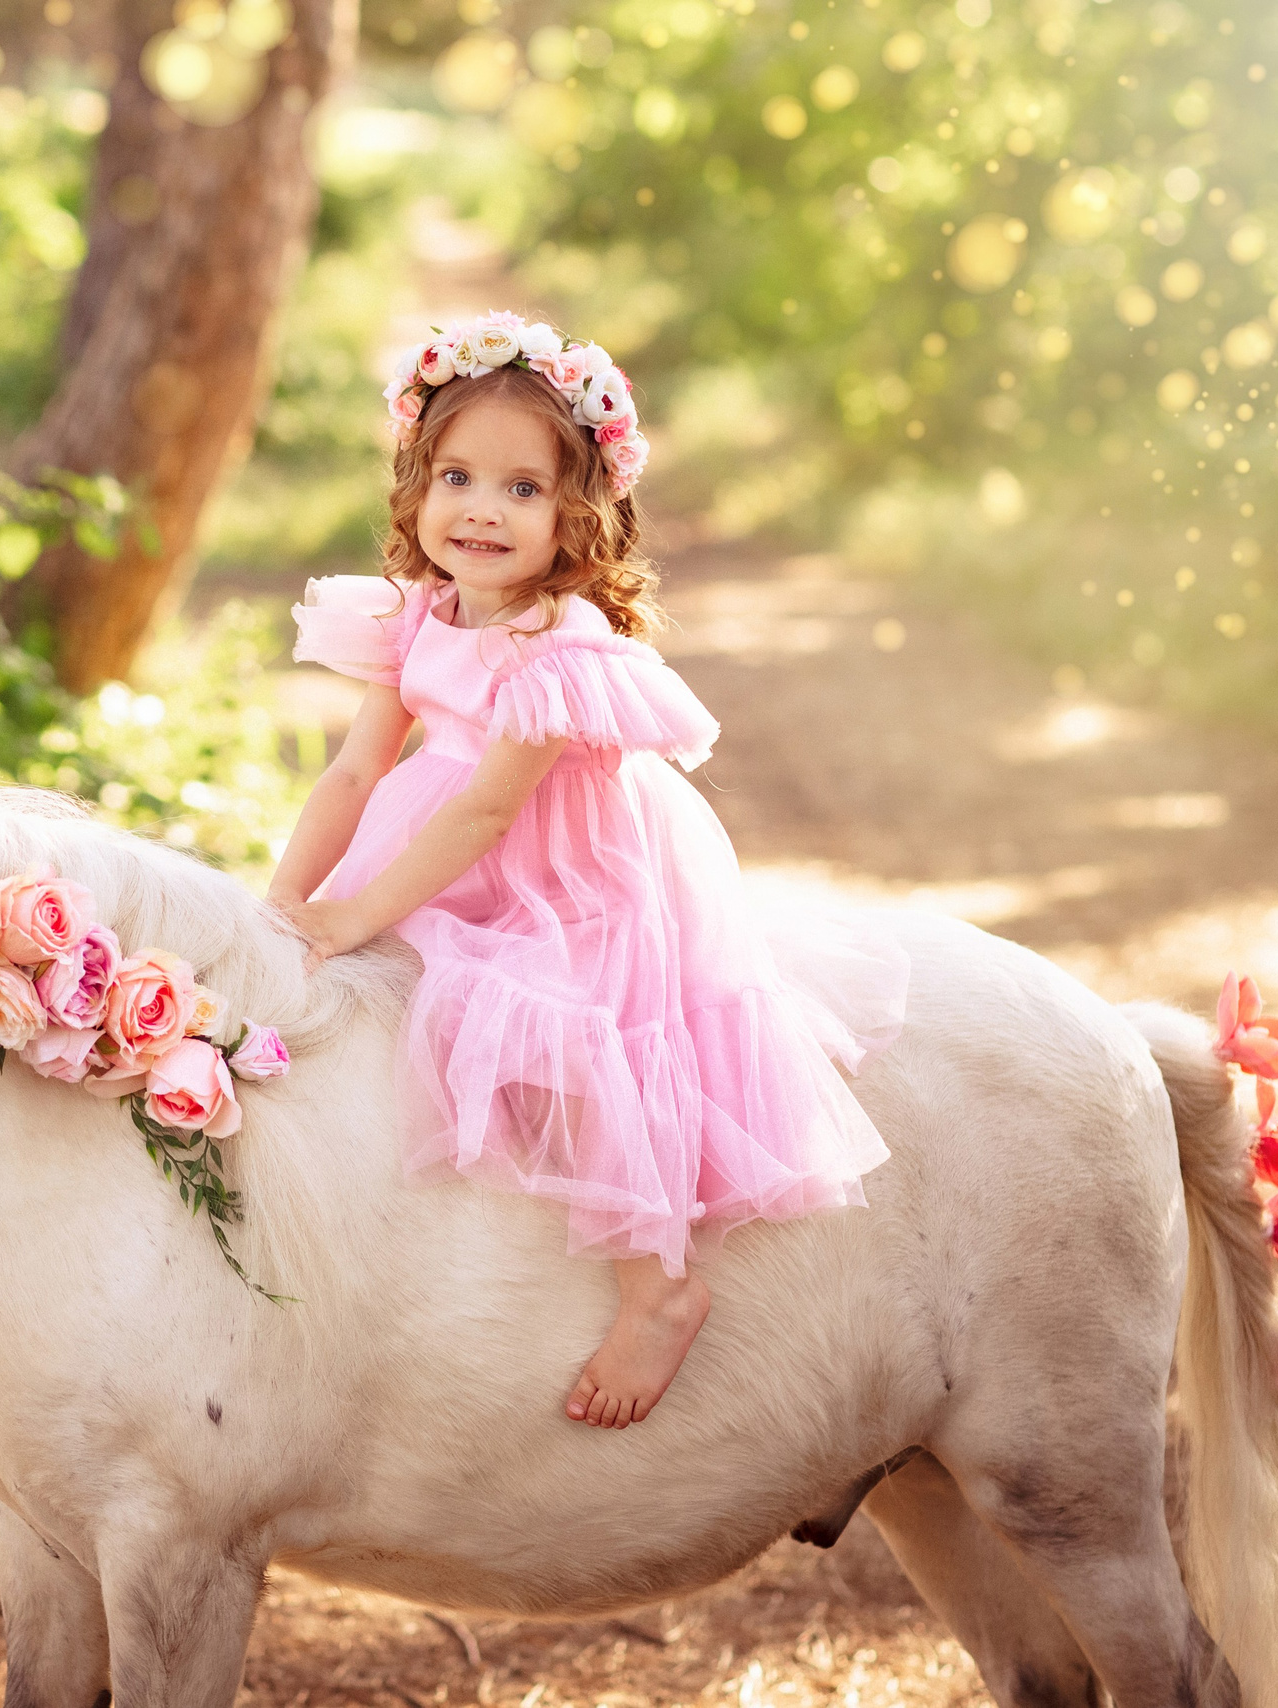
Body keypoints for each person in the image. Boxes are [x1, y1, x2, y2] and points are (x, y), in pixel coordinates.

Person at [269, 313, 906, 1430]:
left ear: (575, 516)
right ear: (416, 486)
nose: (481, 508)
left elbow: (483, 808)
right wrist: (289, 902)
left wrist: (357, 910)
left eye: (522, 489)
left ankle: (655, 1284)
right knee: (352, 988)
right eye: (458, 476)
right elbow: (358, 769)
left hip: (563, 872)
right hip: (442, 844)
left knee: (563, 1030)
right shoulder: (414, 614)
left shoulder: (557, 648)